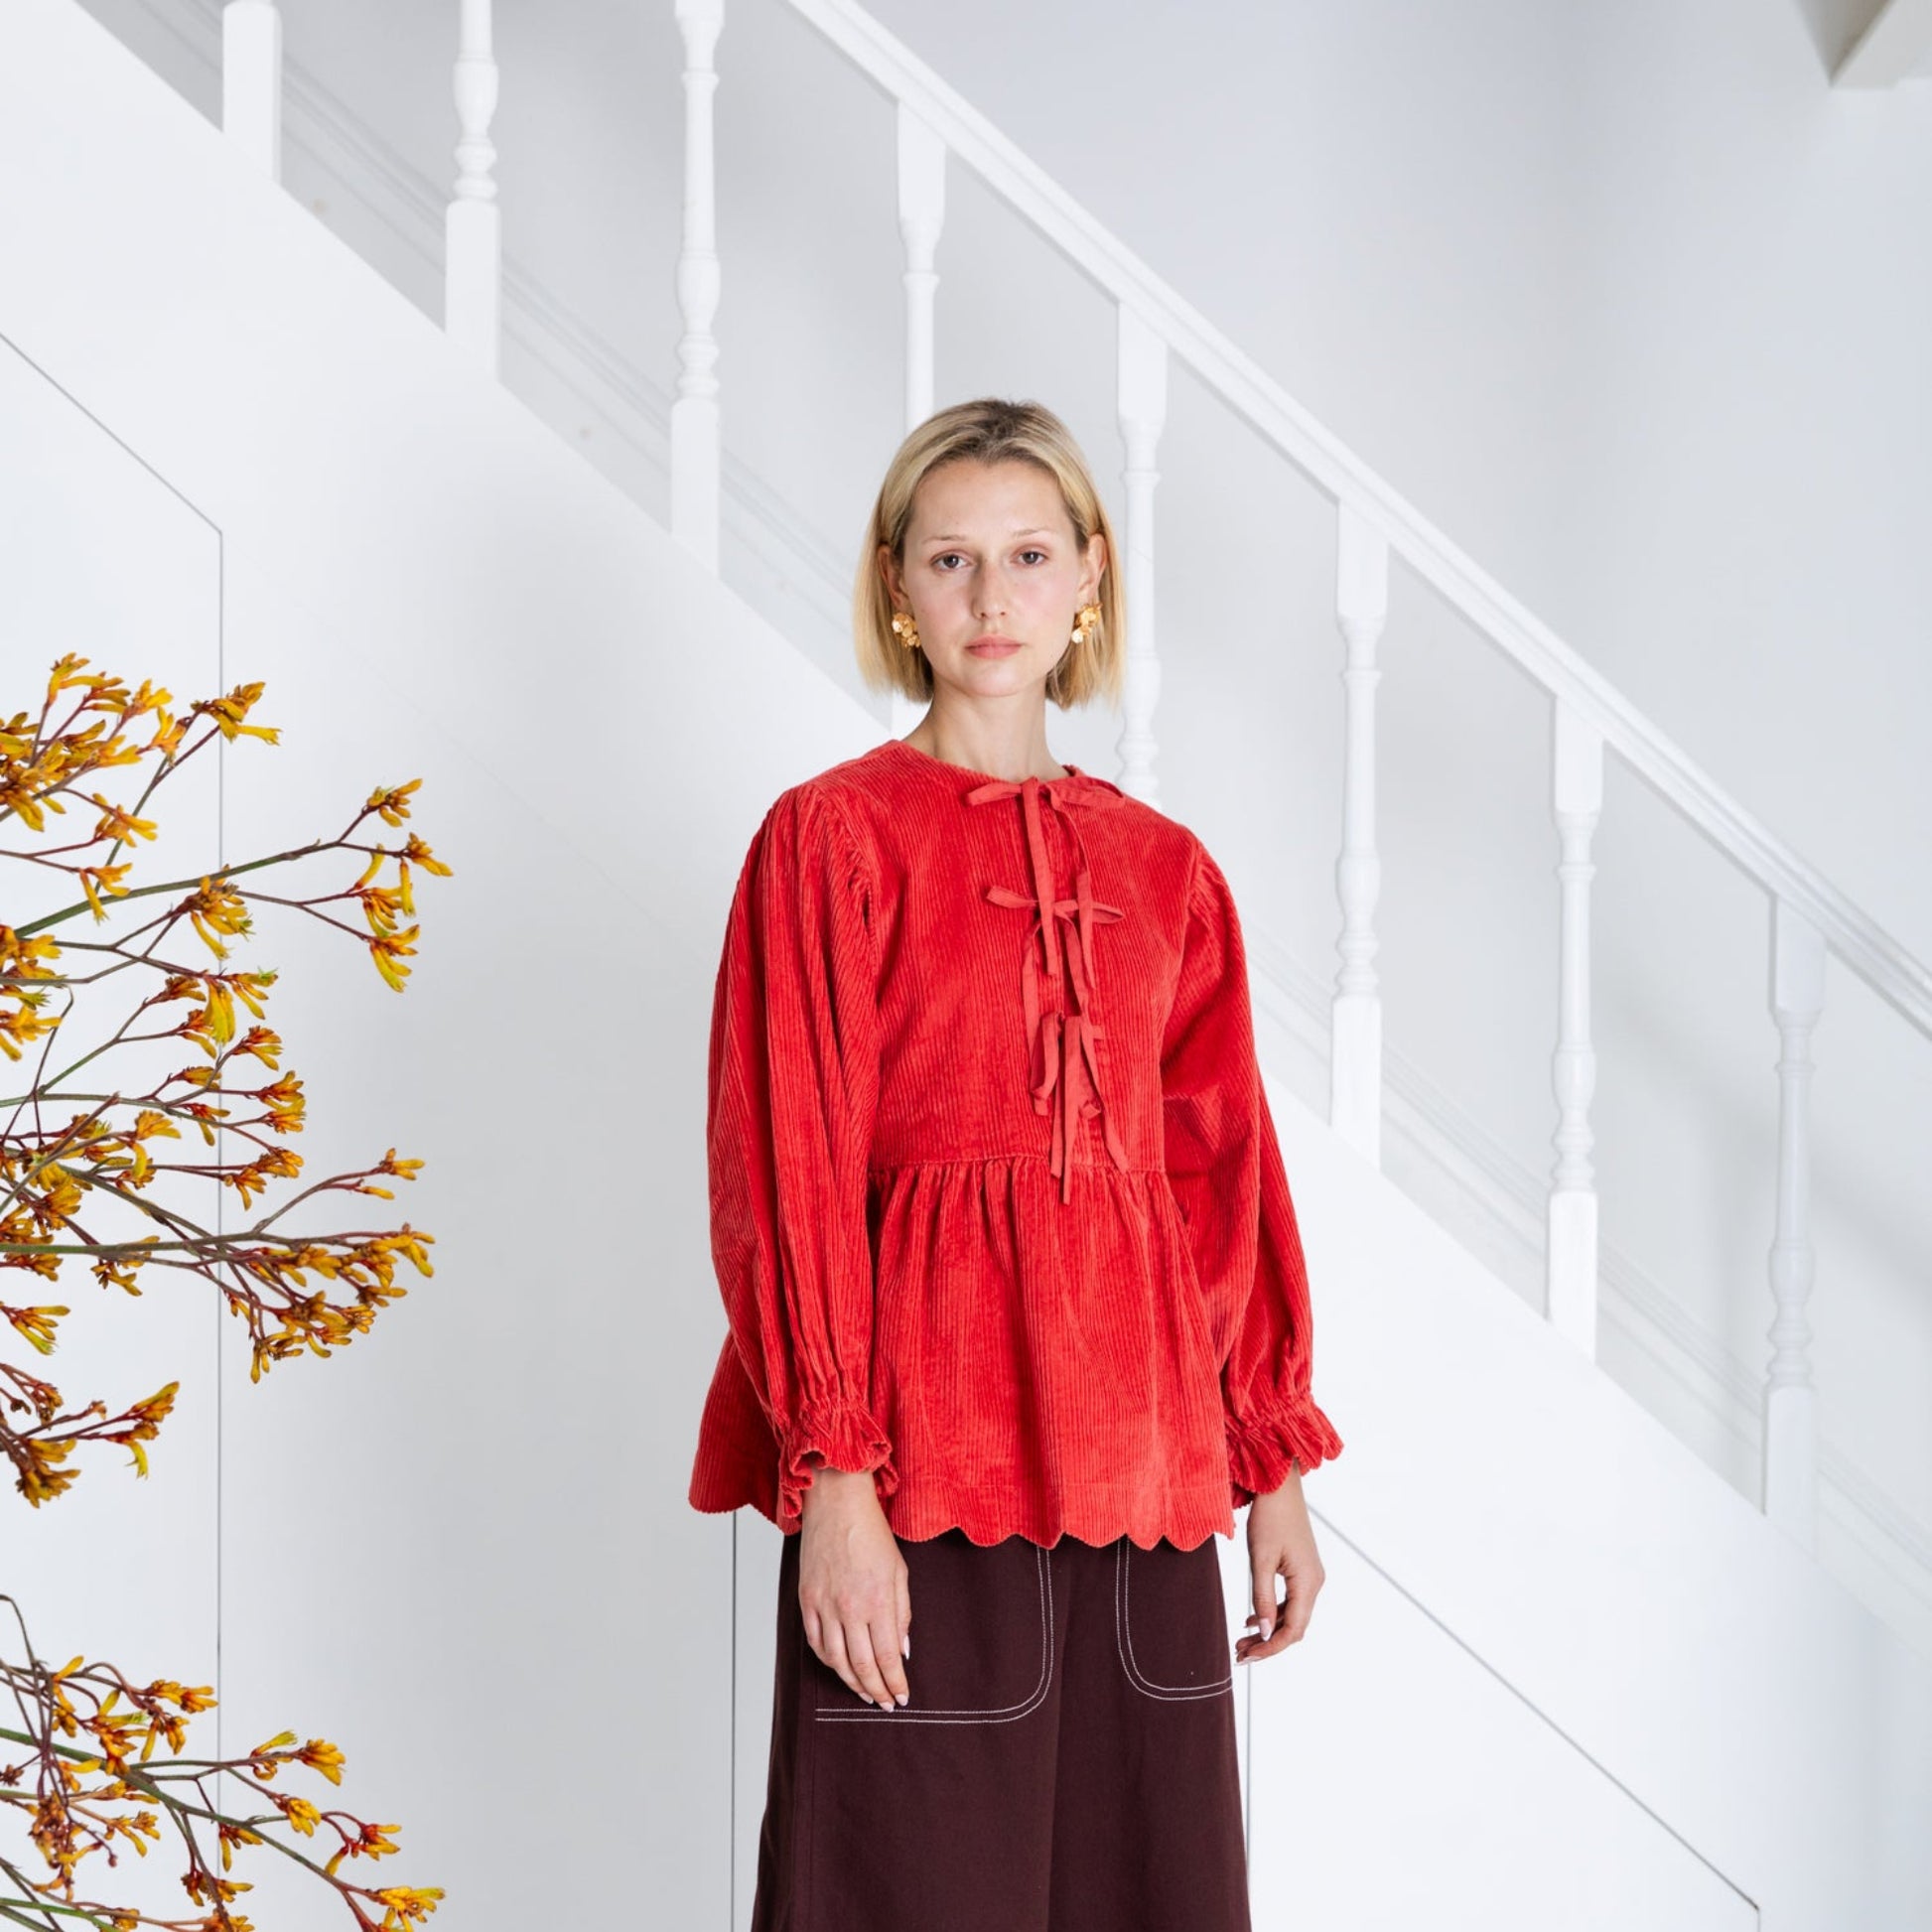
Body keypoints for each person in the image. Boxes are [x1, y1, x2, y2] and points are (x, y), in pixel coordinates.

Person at [686, 396, 1344, 1931]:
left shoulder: (1169, 871)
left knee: (1150, 1901)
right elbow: (783, 1167)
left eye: (1030, 555)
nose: (993, 598)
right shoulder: (829, 840)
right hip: (921, 1489)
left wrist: (1273, 1470)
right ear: (896, 585)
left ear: (1088, 578)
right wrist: (835, 1481)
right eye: (953, 558)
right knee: (904, 1897)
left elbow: (1219, 1187)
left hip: (1145, 1492)